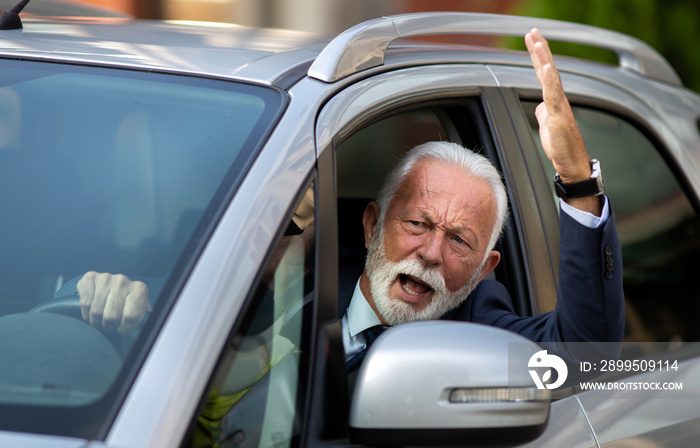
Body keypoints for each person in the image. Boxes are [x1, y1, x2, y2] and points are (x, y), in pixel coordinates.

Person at [71, 30, 624, 365]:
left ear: (485, 269)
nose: (430, 253)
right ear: (370, 226)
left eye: (459, 240)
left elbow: (585, 354)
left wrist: (577, 182)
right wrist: (123, 311)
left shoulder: (479, 325)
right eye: (418, 223)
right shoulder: (289, 281)